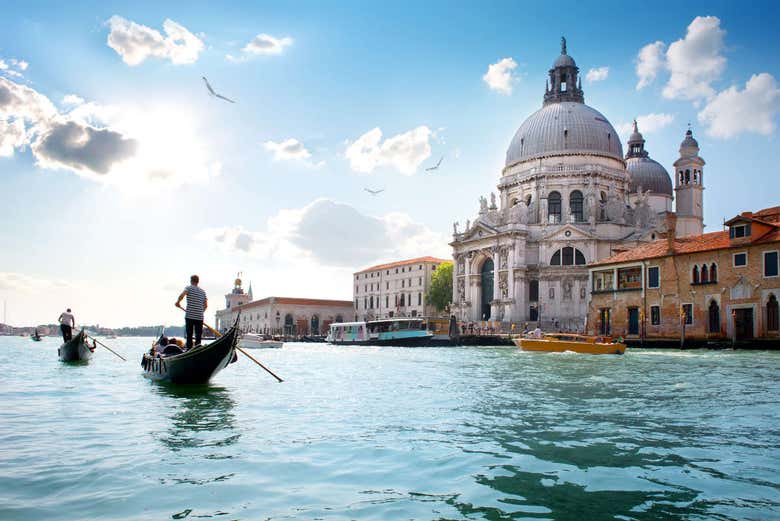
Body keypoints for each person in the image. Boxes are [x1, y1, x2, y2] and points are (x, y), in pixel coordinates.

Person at [176, 275, 208, 349]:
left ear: (191, 281)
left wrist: (178, 302)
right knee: (198, 336)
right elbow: (206, 305)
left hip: (190, 315)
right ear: (198, 281)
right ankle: (197, 349)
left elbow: (182, 295)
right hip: (200, 316)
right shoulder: (203, 292)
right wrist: (200, 312)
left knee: (189, 335)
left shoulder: (189, 288)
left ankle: (189, 349)